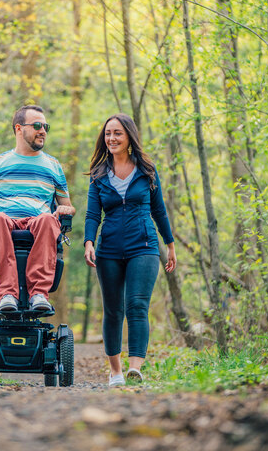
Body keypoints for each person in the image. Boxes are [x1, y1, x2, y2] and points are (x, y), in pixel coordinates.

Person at [83, 113, 177, 386]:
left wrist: (170, 245)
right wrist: (89, 242)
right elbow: (92, 214)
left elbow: (159, 210)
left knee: (136, 305)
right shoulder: (99, 174)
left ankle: (135, 368)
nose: (111, 138)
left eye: (117, 133)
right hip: (109, 249)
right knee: (113, 309)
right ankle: (115, 372)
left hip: (144, 245)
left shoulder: (147, 170)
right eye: (108, 133)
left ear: (129, 137)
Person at [0, 105, 76, 313]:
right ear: (19, 128)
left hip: (39, 220)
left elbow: (67, 206)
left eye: (45, 126)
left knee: (48, 220)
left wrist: (66, 211)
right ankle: (7, 294)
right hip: (4, 220)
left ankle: (39, 294)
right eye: (36, 125)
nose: (42, 130)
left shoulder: (54, 165)